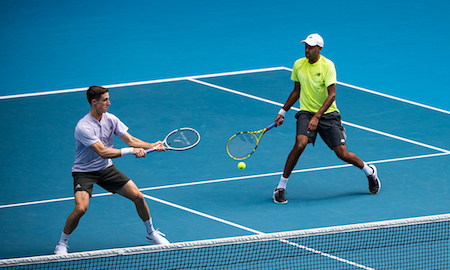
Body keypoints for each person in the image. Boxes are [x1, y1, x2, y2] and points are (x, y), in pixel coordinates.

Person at [54, 86, 169, 254]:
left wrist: (152, 145)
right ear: (94, 102)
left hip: (105, 169)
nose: (109, 102)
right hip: (84, 172)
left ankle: (151, 233)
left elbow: (130, 140)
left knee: (138, 196)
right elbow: (103, 151)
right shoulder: (83, 127)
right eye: (105, 100)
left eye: (108, 98)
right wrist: (132, 151)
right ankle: (62, 243)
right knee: (80, 209)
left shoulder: (111, 119)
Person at [272, 33, 381, 204]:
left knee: (342, 154)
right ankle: (280, 187)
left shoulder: (328, 66)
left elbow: (332, 96)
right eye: (305, 47)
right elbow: (296, 91)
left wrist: (317, 117)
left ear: (319, 49)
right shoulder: (298, 65)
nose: (307, 50)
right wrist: (283, 111)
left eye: (310, 47)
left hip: (328, 114)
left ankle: (369, 171)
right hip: (306, 112)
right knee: (300, 144)